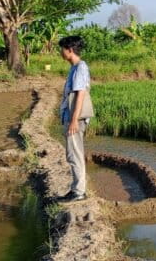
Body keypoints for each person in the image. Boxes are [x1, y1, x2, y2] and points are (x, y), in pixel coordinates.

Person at [57, 35, 95, 202]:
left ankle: (79, 192)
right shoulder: (75, 67)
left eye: (62, 49)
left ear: (70, 50)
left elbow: (80, 95)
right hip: (72, 117)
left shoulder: (80, 68)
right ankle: (76, 189)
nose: (61, 52)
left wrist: (73, 120)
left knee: (75, 154)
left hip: (76, 119)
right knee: (73, 154)